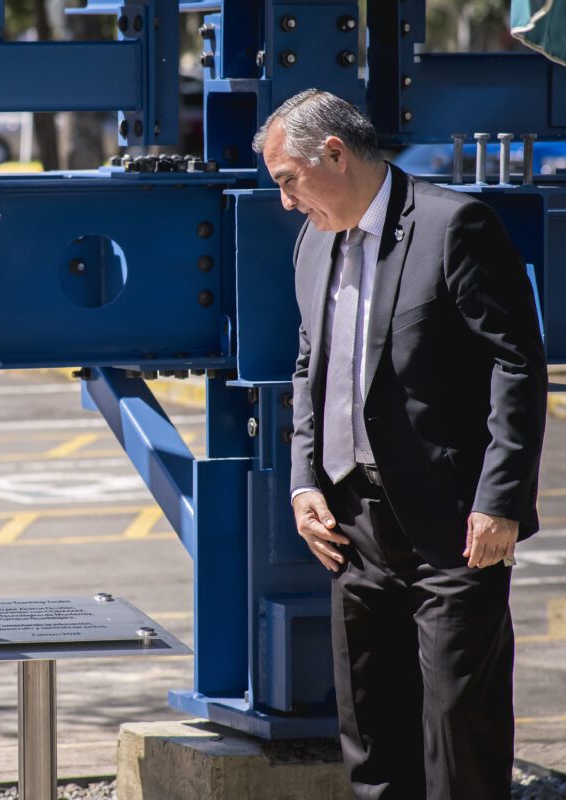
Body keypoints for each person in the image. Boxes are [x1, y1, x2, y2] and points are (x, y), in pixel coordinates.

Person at [253, 89, 547, 799]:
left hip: (453, 527)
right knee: (371, 729)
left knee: (458, 730)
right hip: (353, 527)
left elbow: (518, 363)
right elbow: (307, 367)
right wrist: (303, 485)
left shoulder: (454, 226)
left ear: (334, 154)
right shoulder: (311, 242)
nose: (287, 202)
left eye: (289, 181)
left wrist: (500, 500)